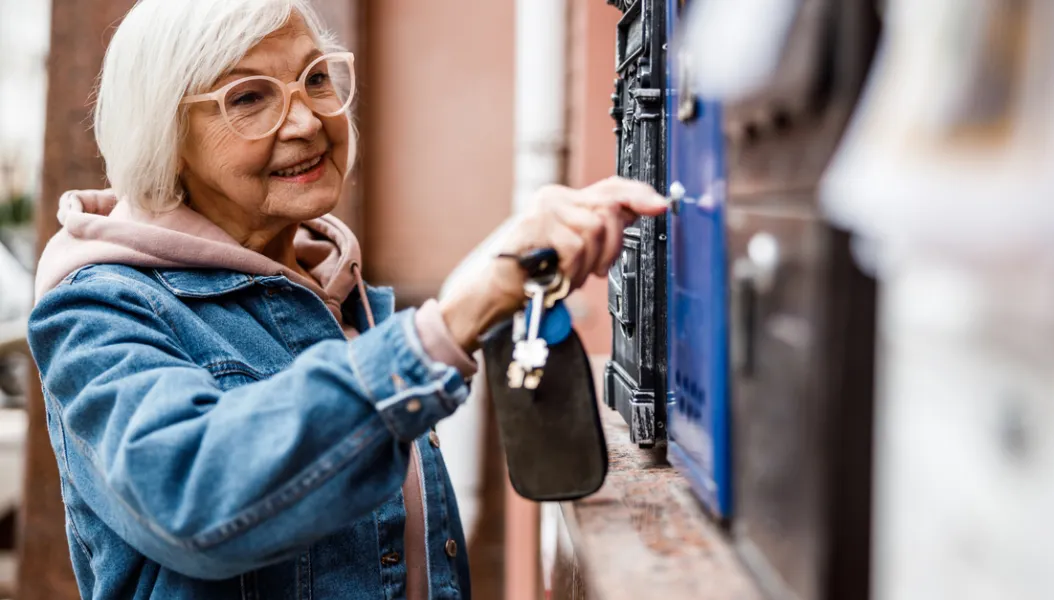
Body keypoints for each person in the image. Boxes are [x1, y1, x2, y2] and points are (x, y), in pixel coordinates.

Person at [26, 0, 666, 598]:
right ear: (164, 137)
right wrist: (445, 328)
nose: (307, 121)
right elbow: (189, 494)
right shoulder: (98, 310)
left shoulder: (336, 290)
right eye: (249, 98)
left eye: (315, 78)